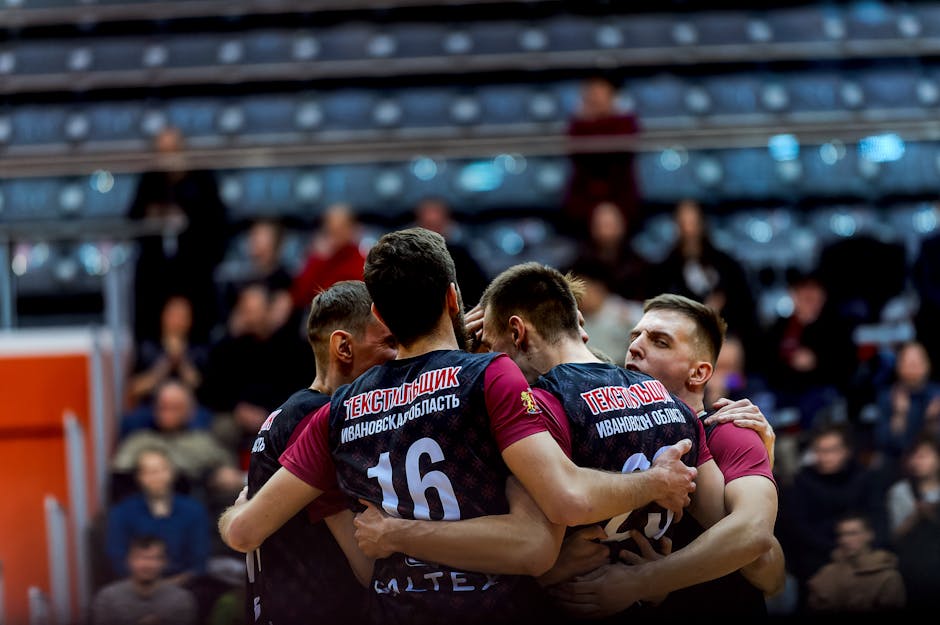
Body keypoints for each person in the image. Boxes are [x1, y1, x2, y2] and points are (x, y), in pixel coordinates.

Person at [218, 228, 697, 625]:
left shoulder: (336, 412)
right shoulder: (491, 376)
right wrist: (656, 481)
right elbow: (539, 539)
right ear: (452, 296)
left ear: (379, 314)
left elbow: (243, 532)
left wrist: (243, 504)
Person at [546, 293, 783, 619]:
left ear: (698, 373)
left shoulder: (729, 430)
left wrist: (643, 581)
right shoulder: (606, 428)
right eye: (635, 336)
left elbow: (767, 561)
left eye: (660, 342)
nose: (635, 347)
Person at [243, 280, 398, 625]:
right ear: (343, 347)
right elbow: (368, 570)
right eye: (389, 342)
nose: (398, 355)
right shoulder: (320, 421)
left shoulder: (289, 412)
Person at [127, 125, 230, 344]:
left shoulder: (202, 178)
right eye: (162, 152)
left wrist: (187, 216)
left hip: (195, 271)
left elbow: (217, 224)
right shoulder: (150, 180)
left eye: (172, 150)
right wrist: (156, 216)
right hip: (157, 274)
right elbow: (134, 220)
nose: (168, 158)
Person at [778, 421, 889, 611]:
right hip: (816, 561)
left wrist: (860, 549)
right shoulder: (802, 482)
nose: (825, 457)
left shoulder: (865, 478)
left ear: (846, 451)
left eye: (832, 450)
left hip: (864, 556)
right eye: (819, 450)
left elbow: (878, 518)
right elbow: (799, 528)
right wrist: (832, 550)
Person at [111, 380, 243, 501]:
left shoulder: (202, 441)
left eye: (175, 407)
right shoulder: (139, 440)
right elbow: (120, 475)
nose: (167, 414)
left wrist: (217, 476)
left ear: (190, 411)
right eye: (163, 407)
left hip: (196, 504)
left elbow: (227, 469)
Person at [106, 447, 211, 585]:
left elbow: (200, 560)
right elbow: (117, 558)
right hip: (135, 587)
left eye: (162, 470)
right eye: (149, 472)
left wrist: (168, 586)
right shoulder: (122, 512)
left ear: (172, 472)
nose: (156, 477)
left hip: (186, 586)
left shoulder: (194, 510)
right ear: (139, 477)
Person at [562, 76, 640, 239]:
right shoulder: (577, 126)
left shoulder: (626, 123)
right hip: (584, 201)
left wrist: (593, 122)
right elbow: (578, 152)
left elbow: (620, 150)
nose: (596, 98)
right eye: (592, 94)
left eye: (600, 93)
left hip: (621, 195)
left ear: (612, 97)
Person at [806, 511, 906, 613]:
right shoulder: (826, 574)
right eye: (842, 535)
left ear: (869, 535)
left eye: (852, 534)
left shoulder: (887, 578)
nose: (845, 540)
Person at [885, 435, 940, 610]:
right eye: (915, 456)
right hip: (911, 565)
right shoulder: (900, 491)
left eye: (924, 456)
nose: (918, 461)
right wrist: (916, 516)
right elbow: (893, 536)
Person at [91, 535, 198, 625]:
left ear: (165, 562)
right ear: (128, 561)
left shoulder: (181, 600)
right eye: (140, 558)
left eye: (155, 558)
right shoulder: (107, 599)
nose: (147, 565)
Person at [874, 341, 940, 477]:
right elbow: (884, 442)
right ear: (898, 367)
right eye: (909, 363)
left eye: (917, 362)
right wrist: (900, 415)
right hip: (897, 463)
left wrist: (933, 421)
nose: (913, 368)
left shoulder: (937, 395)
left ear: (927, 365)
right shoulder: (888, 397)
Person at [290, 203, 367, 315]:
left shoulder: (360, 262)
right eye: (331, 230)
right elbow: (299, 296)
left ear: (351, 229)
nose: (335, 236)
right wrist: (317, 260)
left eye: (340, 229)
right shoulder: (319, 258)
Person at [414, 196, 489, 308]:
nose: (433, 233)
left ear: (446, 223)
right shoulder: (407, 257)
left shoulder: (462, 256)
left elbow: (479, 289)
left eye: (436, 226)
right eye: (428, 225)